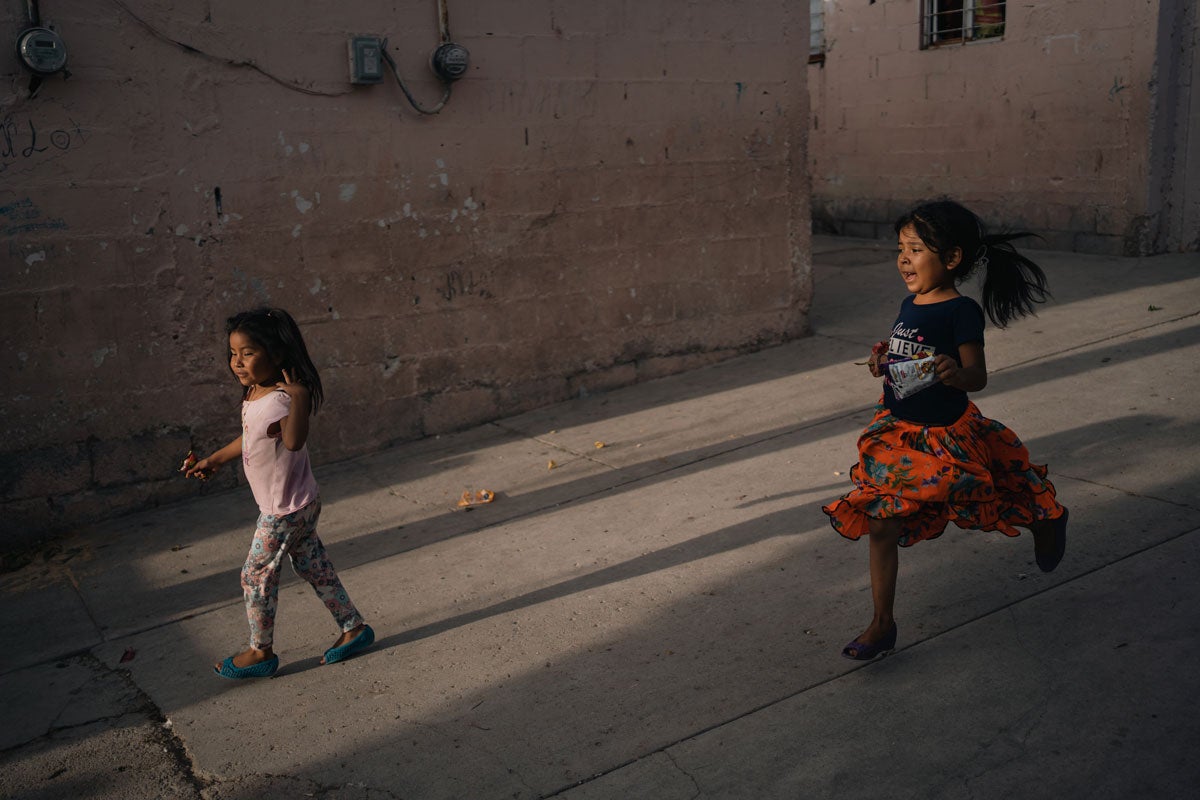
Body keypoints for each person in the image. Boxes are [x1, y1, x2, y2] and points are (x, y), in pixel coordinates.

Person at [822, 200, 1068, 661]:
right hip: (898, 432)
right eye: (900, 249)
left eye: (915, 250)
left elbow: (978, 376)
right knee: (881, 520)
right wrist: (883, 360)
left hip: (946, 437)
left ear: (951, 259)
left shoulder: (961, 311)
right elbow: (902, 355)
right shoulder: (908, 303)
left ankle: (1046, 519)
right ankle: (882, 624)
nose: (903, 259)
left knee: (992, 500)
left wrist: (956, 372)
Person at [185, 307, 374, 678]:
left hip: (283, 510)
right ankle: (353, 627)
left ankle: (261, 652)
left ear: (277, 355)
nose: (237, 362)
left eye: (247, 353)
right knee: (313, 565)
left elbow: (293, 440)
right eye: (233, 354)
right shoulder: (257, 391)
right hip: (299, 502)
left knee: (255, 574)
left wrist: (301, 396)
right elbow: (252, 436)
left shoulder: (284, 399)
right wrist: (215, 459)